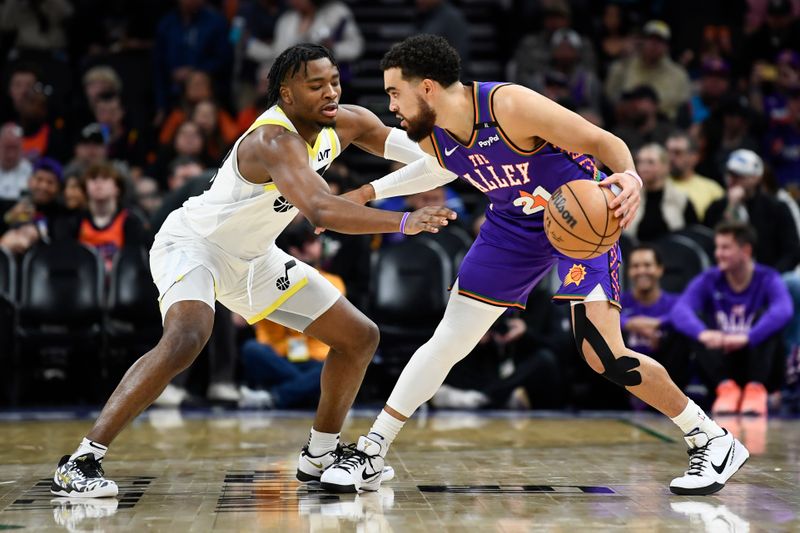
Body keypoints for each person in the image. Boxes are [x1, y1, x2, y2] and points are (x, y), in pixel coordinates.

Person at [320, 34, 748, 497]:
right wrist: (366, 193)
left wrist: (629, 176)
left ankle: (710, 437)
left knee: (602, 354)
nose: (391, 105)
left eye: (393, 92)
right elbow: (438, 167)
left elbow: (603, 140)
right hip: (512, 225)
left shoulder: (509, 105)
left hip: (580, 217)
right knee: (449, 339)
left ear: (426, 87)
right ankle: (373, 451)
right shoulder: (434, 134)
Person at [49, 43, 454, 498]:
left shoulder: (349, 122)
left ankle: (319, 454)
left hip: (255, 257)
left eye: (334, 81)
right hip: (194, 245)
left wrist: (458, 146)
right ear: (286, 93)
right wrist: (402, 219)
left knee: (360, 337)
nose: (330, 92)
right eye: (315, 85)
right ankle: (81, 460)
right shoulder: (272, 140)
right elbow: (320, 209)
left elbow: (436, 160)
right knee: (187, 336)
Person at [670, 222, 793, 416]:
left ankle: (756, 389)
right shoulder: (709, 279)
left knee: (768, 319)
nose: (718, 253)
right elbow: (680, 311)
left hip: (760, 364)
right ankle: (726, 388)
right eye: (717, 247)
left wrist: (748, 337)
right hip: (723, 365)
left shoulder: (768, 278)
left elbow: (783, 310)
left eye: (725, 247)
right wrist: (703, 334)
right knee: (695, 325)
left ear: (745, 250)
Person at [704, 149, 800, 272]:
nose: (732, 181)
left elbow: (792, 251)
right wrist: (731, 206)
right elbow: (711, 242)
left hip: (771, 272)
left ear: (756, 178)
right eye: (730, 175)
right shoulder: (716, 207)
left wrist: (772, 276)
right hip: (725, 273)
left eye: (739, 176)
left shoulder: (776, 207)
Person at [620, 244, 687, 389]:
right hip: (622, 379)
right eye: (635, 266)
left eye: (647, 265)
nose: (641, 270)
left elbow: (687, 316)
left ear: (660, 269)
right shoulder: (619, 302)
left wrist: (657, 323)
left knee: (681, 335)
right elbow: (602, 317)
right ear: (629, 271)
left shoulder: (675, 301)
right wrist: (629, 324)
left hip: (667, 374)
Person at [625, 143, 698, 242]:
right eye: (640, 162)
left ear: (666, 166)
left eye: (651, 162)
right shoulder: (628, 198)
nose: (644, 167)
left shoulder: (681, 200)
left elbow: (692, 235)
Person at [666, 132, 724, 221]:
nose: (671, 157)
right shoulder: (654, 186)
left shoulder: (712, 189)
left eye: (678, 153)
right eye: (668, 152)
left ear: (694, 157)